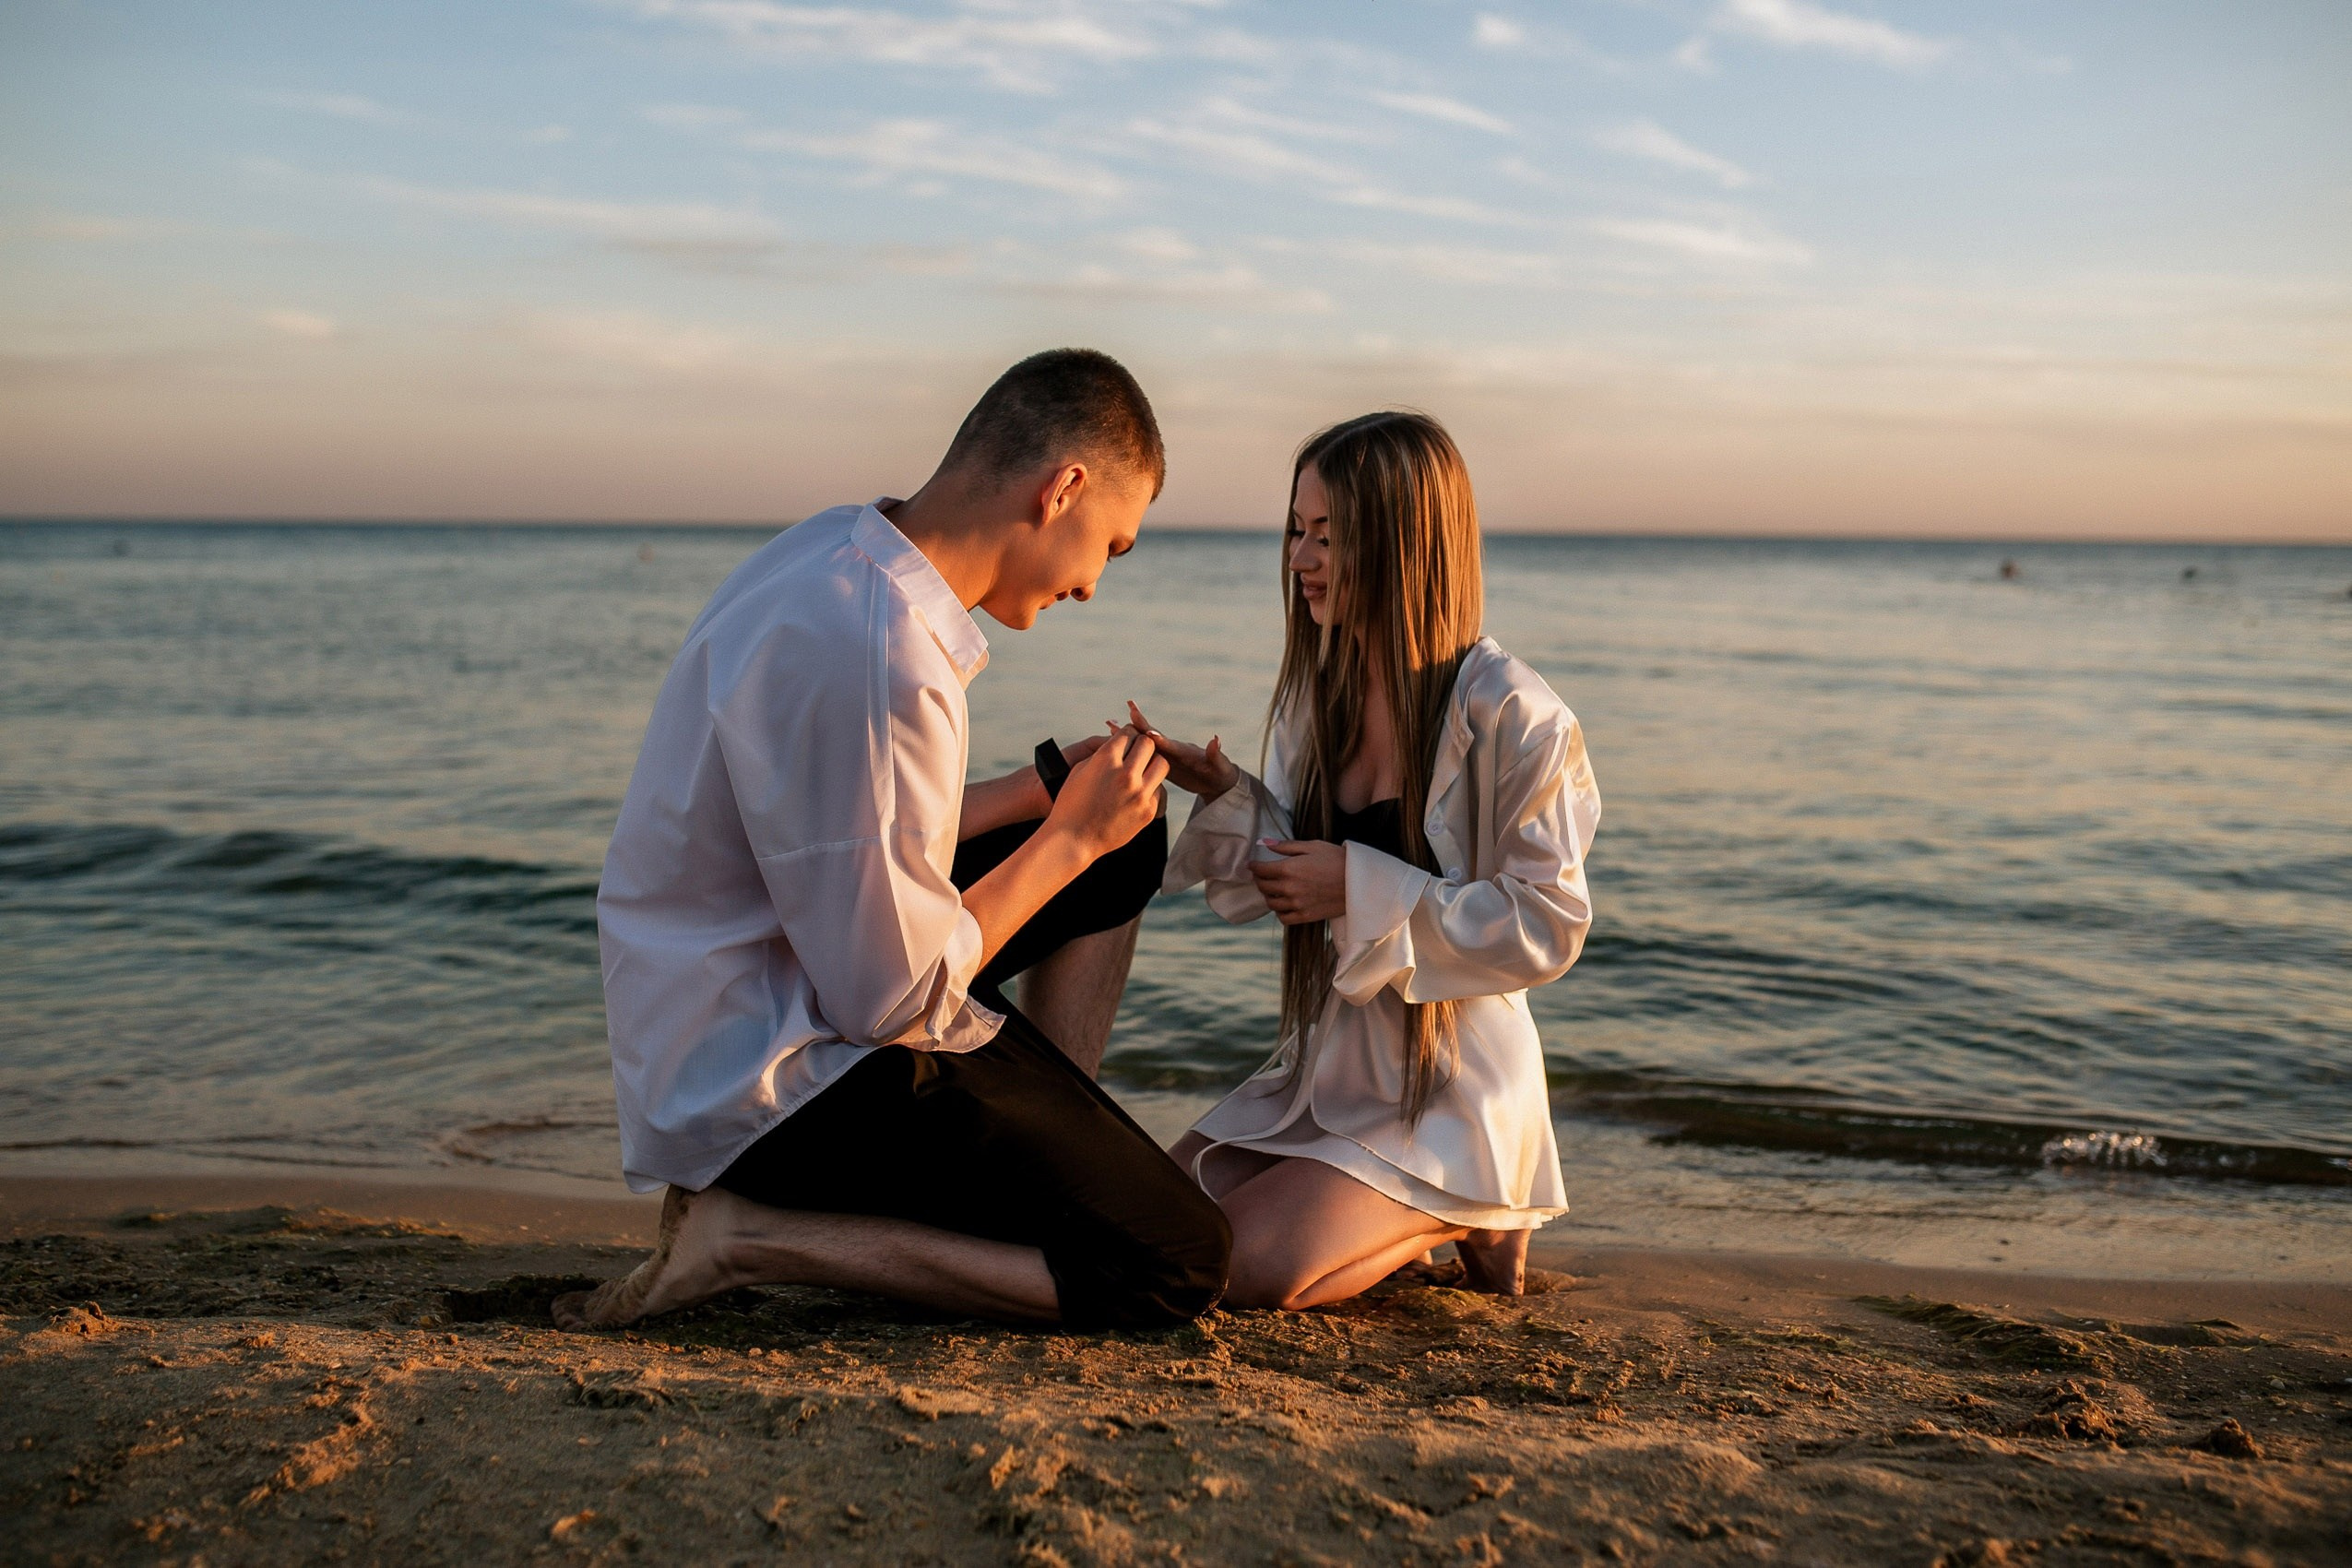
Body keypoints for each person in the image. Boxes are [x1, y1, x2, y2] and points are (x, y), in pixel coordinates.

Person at [554, 350, 1230, 1333]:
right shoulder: (884, 658)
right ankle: (747, 1235)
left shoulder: (837, 551)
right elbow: (887, 999)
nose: (1092, 586)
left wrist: (1045, 795)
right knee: (1176, 1260)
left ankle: (1036, 1151)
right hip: (765, 1082)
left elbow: (845, 827)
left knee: (1128, 836)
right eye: (1111, 548)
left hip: (739, 994)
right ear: (1063, 488)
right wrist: (1069, 838)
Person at [1137, 410, 1601, 1311]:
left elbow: (1548, 924)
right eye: (1296, 531)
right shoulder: (1321, 699)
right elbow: (1298, 876)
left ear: (1401, 544)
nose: (1300, 559)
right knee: (1143, 1220)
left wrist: (1353, 881)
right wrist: (1228, 793)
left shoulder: (1514, 712)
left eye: (1329, 536)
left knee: (1232, 1267)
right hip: (1330, 1072)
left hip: (1452, 1090)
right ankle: (1401, 1215)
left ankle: (1460, 1208)